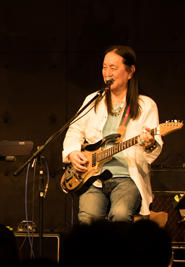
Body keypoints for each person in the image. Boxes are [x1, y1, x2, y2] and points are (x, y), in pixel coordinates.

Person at [62, 46, 162, 224]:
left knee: (121, 215)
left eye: (113, 68)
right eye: (104, 67)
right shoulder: (93, 100)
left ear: (130, 72)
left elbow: (153, 149)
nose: (107, 73)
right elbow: (75, 130)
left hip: (127, 179)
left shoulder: (146, 105)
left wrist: (149, 144)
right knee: (88, 221)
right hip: (93, 178)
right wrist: (72, 152)